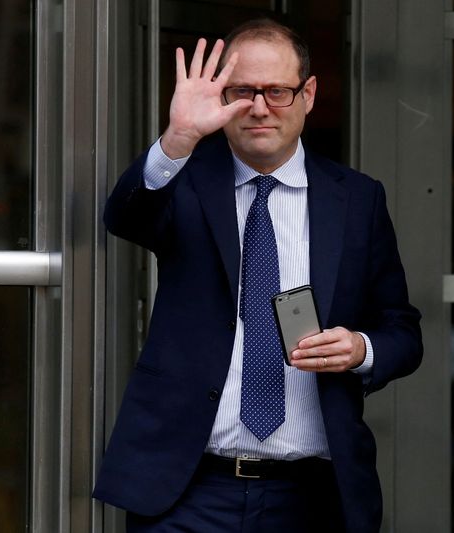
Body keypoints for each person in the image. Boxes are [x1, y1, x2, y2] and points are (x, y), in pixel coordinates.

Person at [93, 18, 423, 533]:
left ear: (308, 94)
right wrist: (178, 138)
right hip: (188, 492)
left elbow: (403, 330)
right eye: (242, 91)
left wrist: (360, 349)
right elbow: (125, 217)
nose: (260, 107)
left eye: (277, 91)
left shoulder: (357, 199)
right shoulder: (187, 182)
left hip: (312, 494)